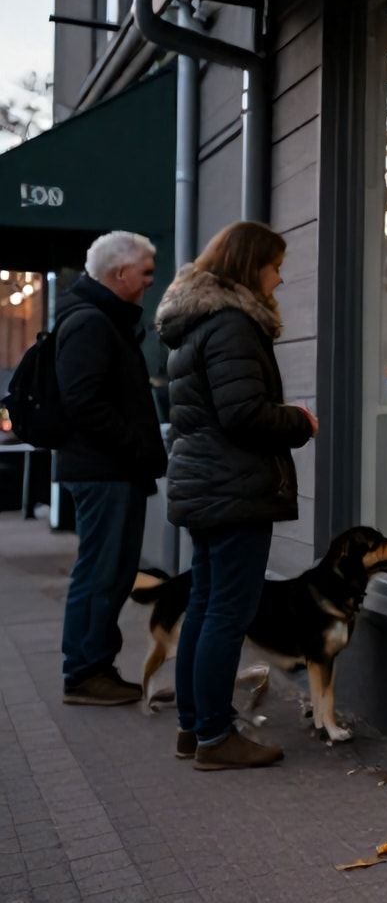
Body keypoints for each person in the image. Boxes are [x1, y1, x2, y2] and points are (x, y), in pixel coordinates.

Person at [157, 222, 316, 770]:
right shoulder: (231, 325)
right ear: (250, 268)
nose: (280, 275)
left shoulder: (197, 325)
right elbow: (243, 414)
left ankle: (193, 729)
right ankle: (215, 737)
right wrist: (299, 420)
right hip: (233, 487)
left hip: (207, 485)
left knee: (204, 604)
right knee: (227, 611)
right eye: (274, 264)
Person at [56, 231, 169, 706]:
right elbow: (82, 401)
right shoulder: (91, 323)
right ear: (119, 274)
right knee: (102, 573)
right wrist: (135, 447)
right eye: (145, 274)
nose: (149, 283)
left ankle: (92, 667)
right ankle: (84, 673)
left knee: (111, 573)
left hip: (110, 469)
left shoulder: (101, 320)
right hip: (105, 471)